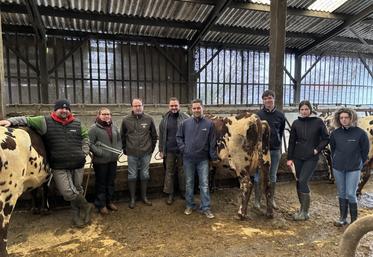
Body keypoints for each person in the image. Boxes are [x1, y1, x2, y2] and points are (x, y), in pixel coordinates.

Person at [0, 99, 93, 228]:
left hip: (77, 163)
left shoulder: (77, 123)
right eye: (61, 108)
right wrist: (10, 121)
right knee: (67, 192)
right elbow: (26, 120)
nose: (64, 110)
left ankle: (77, 214)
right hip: (59, 165)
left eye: (67, 109)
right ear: (55, 110)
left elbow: (85, 137)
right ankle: (86, 205)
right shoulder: (44, 121)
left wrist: (84, 152)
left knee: (77, 188)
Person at [287, 100, 329, 221]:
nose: (304, 111)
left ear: (310, 110)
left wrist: (317, 149)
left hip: (311, 157)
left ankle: (305, 212)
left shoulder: (318, 122)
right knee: (298, 181)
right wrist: (290, 158)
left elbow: (326, 138)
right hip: (297, 157)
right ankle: (302, 208)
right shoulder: (296, 123)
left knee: (303, 180)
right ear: (299, 111)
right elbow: (291, 142)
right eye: (302, 109)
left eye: (306, 109)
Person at [176, 99, 218, 219]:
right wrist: (184, 149)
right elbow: (179, 137)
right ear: (191, 109)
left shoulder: (209, 124)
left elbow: (212, 142)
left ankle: (206, 208)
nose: (196, 110)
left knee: (204, 184)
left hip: (203, 159)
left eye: (198, 108)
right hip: (188, 159)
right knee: (189, 183)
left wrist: (213, 157)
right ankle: (190, 205)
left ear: (202, 108)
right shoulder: (185, 123)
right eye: (194, 108)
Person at [330, 108, 369, 226]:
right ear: (338, 119)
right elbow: (333, 149)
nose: (344, 120)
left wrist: (359, 163)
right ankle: (342, 218)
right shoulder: (335, 134)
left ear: (351, 118)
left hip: (354, 168)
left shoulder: (360, 133)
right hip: (338, 168)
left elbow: (365, 151)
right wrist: (337, 160)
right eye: (341, 118)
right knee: (341, 192)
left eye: (346, 117)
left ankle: (354, 221)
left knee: (351, 193)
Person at [120, 98, 157, 209]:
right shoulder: (126, 120)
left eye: (139, 105)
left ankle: (144, 197)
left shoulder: (149, 119)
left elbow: (154, 136)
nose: (138, 107)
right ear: (132, 107)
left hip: (146, 153)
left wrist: (151, 149)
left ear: (143, 106)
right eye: (135, 106)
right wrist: (125, 149)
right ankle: (132, 198)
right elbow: (122, 136)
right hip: (132, 153)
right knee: (132, 175)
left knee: (145, 174)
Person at [254, 90, 285, 209]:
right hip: (261, 150)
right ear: (263, 100)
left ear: (274, 99)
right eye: (266, 98)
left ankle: (271, 199)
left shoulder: (280, 115)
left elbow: (280, 132)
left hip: (275, 150)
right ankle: (257, 200)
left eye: (270, 97)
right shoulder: (258, 115)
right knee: (258, 175)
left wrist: (278, 145)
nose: (268, 100)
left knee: (272, 176)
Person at [88, 107, 122, 215]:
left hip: (112, 159)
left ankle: (109, 201)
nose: (106, 116)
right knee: (101, 183)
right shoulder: (94, 129)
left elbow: (119, 140)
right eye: (104, 114)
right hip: (100, 161)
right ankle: (101, 204)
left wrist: (117, 150)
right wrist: (99, 152)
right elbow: (90, 143)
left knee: (110, 182)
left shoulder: (114, 127)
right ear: (99, 115)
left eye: (108, 114)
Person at [159, 97, 189, 205]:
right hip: (169, 150)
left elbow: (189, 134)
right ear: (169, 106)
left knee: (182, 171)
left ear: (179, 106)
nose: (174, 107)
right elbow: (162, 136)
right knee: (169, 172)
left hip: (182, 150)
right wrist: (161, 150)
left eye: (176, 105)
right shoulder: (164, 119)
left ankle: (183, 191)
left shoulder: (185, 118)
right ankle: (170, 193)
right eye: (172, 105)